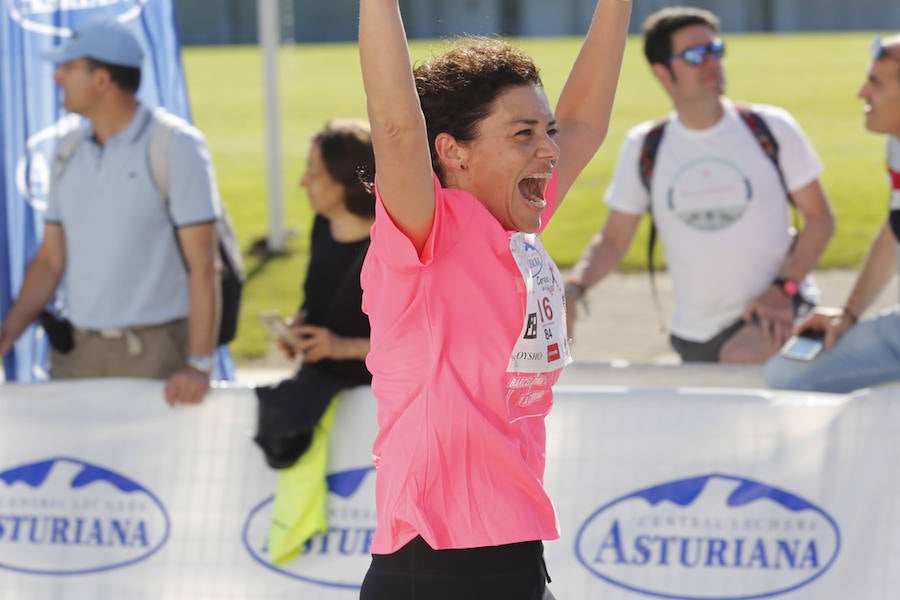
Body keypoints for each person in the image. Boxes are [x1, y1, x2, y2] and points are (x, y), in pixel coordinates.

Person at [357, 0, 631, 597]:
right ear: (454, 152)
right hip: (435, 564)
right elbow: (400, 128)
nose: (551, 149)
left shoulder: (513, 229)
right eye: (525, 133)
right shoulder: (427, 231)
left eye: (546, 130)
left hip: (514, 553)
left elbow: (584, 120)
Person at [565, 6, 835, 364]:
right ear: (663, 73)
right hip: (689, 334)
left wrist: (783, 289)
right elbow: (614, 239)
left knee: (743, 361)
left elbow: (819, 219)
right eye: (695, 55)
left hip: (771, 316)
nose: (711, 63)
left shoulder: (770, 127)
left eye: (715, 50)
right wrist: (575, 287)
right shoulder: (646, 144)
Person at [0, 18, 220, 404]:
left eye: (67, 68)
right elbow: (51, 261)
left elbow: (204, 264)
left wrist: (199, 364)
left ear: (102, 79)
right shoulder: (67, 149)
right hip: (75, 357)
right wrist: (8, 334)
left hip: (153, 356)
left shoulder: (176, 146)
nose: (57, 78)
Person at [764, 34, 900, 393]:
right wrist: (849, 313)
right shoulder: (897, 144)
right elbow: (895, 229)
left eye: (875, 82)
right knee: (786, 375)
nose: (861, 93)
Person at [254, 118, 374, 468]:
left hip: (374, 405)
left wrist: (343, 347)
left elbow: (424, 342)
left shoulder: (395, 241)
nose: (302, 182)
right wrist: (300, 327)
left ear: (348, 183)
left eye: (315, 173)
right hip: (321, 396)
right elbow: (319, 296)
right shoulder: (323, 224)